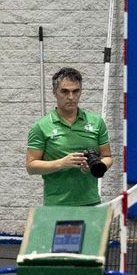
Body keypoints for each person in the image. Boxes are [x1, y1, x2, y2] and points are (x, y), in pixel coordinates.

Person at [26, 66, 112, 207]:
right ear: (55, 92)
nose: (71, 97)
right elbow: (31, 166)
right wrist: (62, 163)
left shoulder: (96, 122)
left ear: (80, 92)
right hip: (57, 204)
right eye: (64, 91)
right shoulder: (41, 126)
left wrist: (94, 166)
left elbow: (107, 157)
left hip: (91, 202)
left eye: (75, 91)